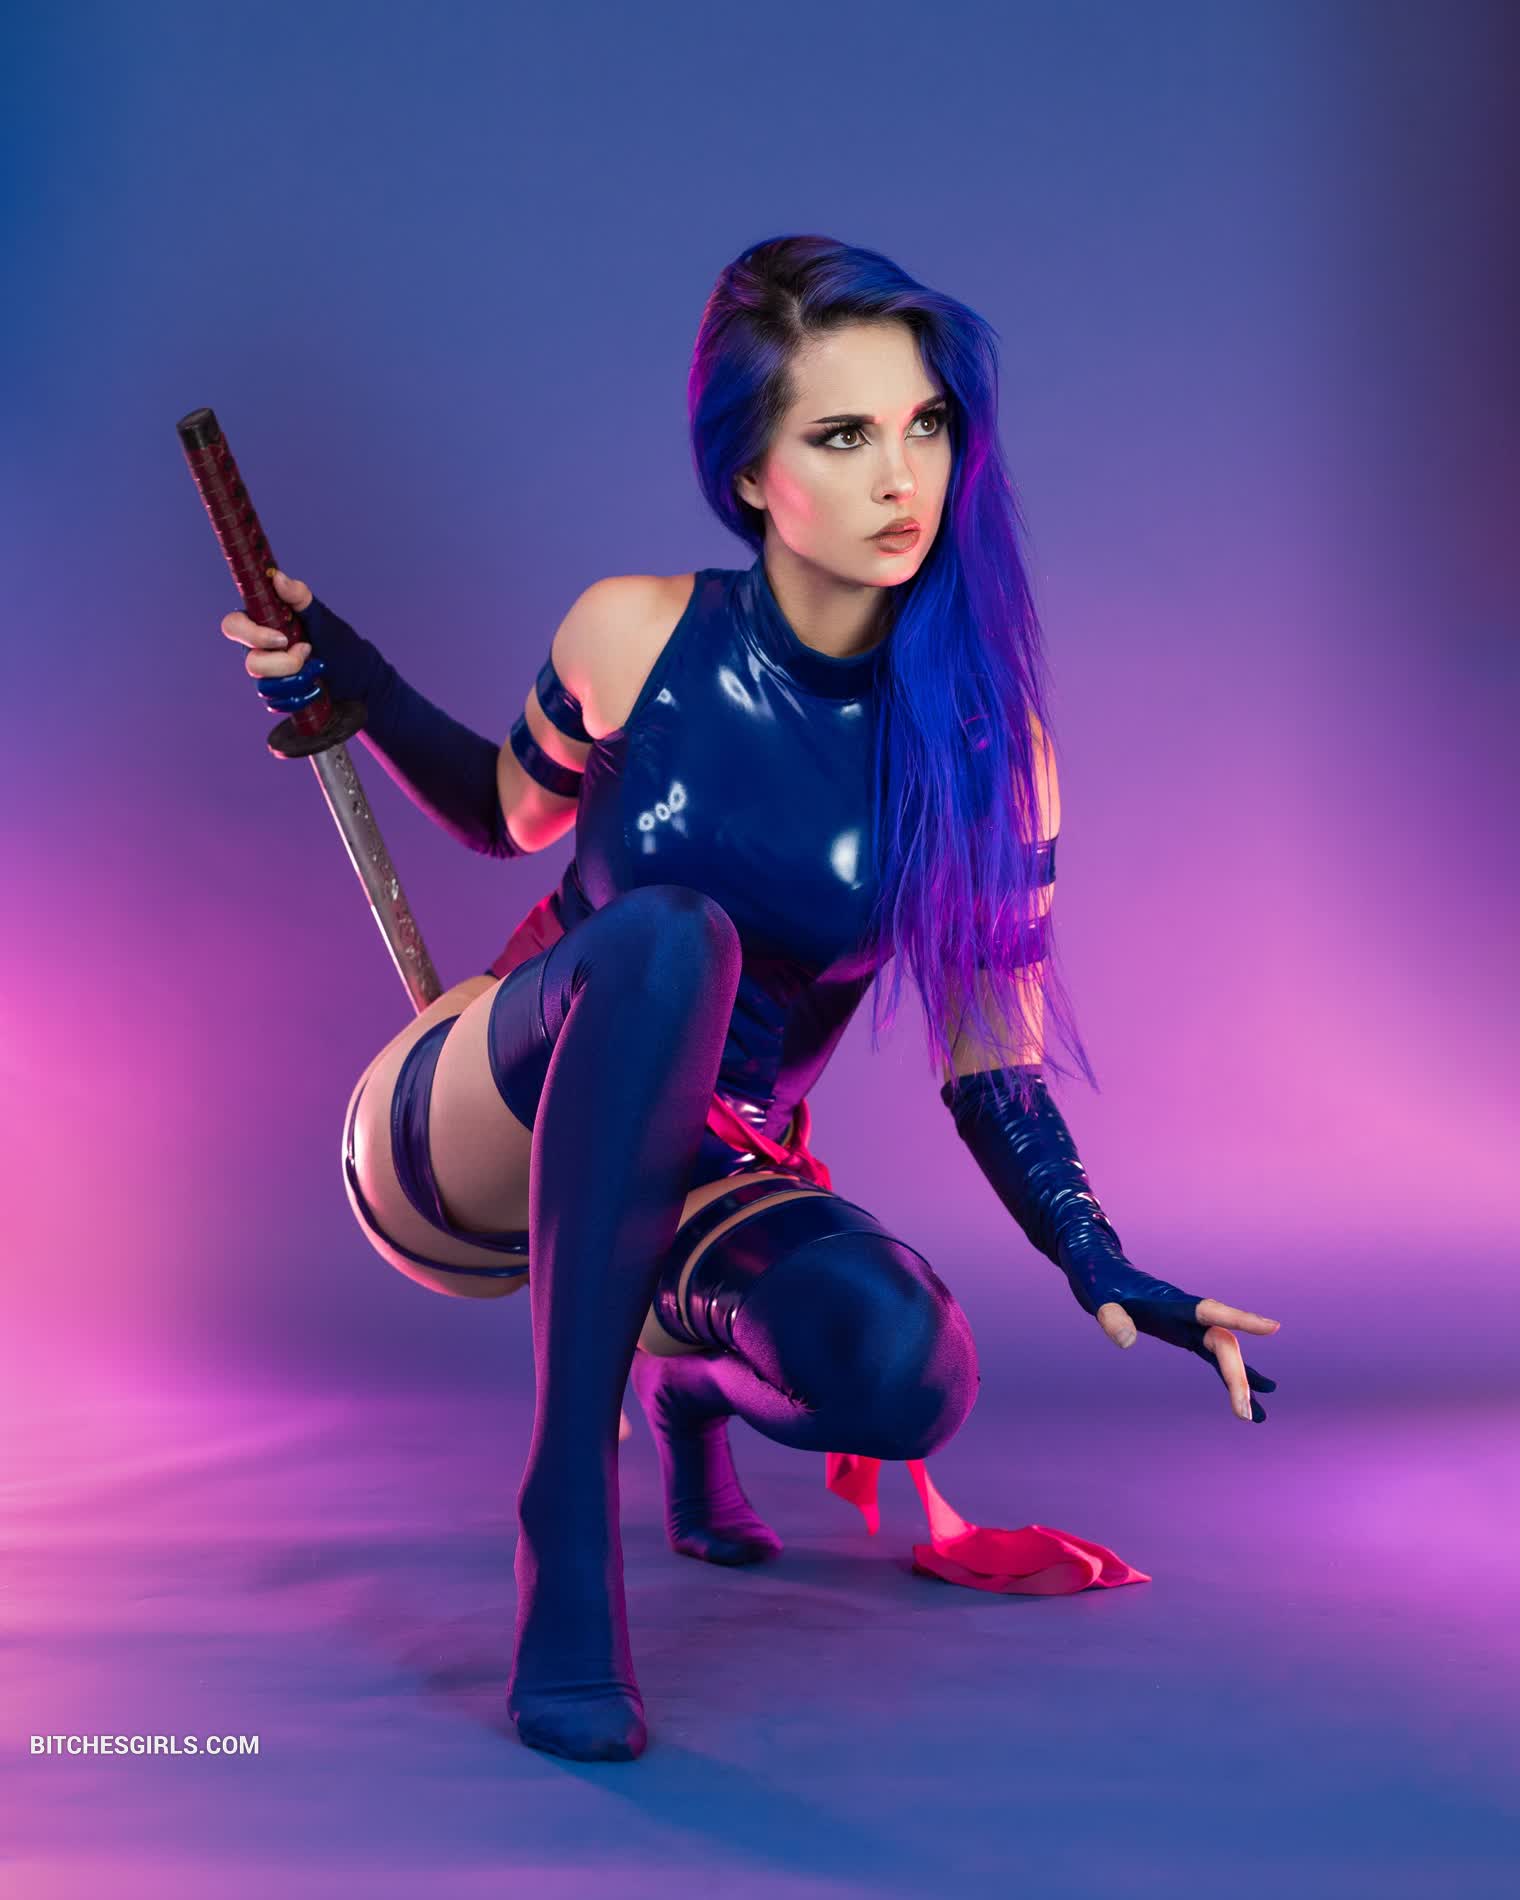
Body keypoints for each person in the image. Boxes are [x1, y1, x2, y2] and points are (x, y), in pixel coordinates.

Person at [220, 234, 1280, 1765]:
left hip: (705, 1172)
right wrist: (351, 675)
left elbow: (991, 1061)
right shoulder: (635, 631)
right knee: (672, 943)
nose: (900, 476)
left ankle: (695, 1383)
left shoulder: (987, 749)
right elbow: (506, 814)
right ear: (751, 476)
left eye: (925, 425)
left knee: (907, 1369)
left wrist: (1101, 1261)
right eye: (843, 435)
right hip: (484, 1117)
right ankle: (565, 1517)